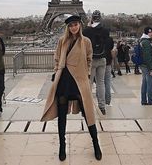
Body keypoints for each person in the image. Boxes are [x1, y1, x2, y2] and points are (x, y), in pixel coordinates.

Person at [41, 15, 102, 161]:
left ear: (79, 25)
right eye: (70, 25)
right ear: (67, 27)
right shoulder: (62, 41)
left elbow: (89, 58)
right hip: (64, 80)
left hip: (79, 81)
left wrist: (86, 74)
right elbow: (57, 57)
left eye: (75, 24)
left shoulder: (85, 41)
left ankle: (96, 143)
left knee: (88, 114)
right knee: (62, 116)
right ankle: (62, 146)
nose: (73, 27)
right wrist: (57, 70)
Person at [83, 10, 109, 115]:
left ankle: (87, 107)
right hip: (102, 59)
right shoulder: (105, 30)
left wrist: (89, 26)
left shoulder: (86, 31)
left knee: (88, 84)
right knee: (101, 83)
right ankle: (102, 107)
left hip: (91, 60)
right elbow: (108, 45)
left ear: (92, 18)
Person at [140, 26, 152, 105]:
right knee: (150, 84)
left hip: (143, 65)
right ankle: (150, 101)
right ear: (148, 33)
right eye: (151, 32)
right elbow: (147, 56)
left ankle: (143, 100)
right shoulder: (146, 42)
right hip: (147, 66)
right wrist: (151, 68)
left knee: (145, 84)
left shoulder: (143, 40)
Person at [104, 37, 114, 105]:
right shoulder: (109, 39)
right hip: (108, 61)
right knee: (107, 82)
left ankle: (100, 101)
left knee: (99, 83)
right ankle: (108, 101)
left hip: (96, 60)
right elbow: (111, 49)